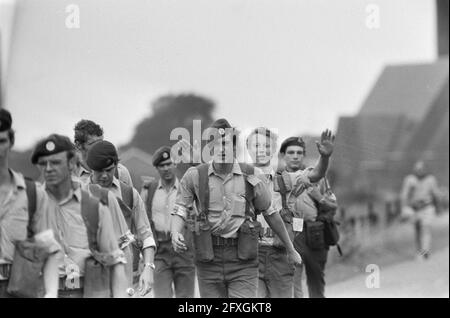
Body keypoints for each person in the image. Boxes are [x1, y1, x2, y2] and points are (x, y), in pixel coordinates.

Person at [171, 119, 302, 298]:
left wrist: (290, 248)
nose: (222, 149)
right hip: (209, 259)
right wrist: (175, 231)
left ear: (234, 148)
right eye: (216, 144)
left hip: (243, 259)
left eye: (226, 144)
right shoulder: (194, 175)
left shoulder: (251, 176)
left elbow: (271, 213)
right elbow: (180, 208)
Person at [31, 134, 129, 298]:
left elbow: (116, 261)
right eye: (43, 163)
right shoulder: (30, 205)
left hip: (89, 290)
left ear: (71, 163)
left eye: (55, 162)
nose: (48, 169)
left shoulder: (94, 206)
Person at [0, 109, 60, 298]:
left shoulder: (33, 194)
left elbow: (48, 249)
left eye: (1, 141)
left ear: (11, 143)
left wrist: (51, 293)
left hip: (18, 288)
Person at [85, 140, 156, 296]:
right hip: (91, 279)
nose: (104, 176)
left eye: (109, 170)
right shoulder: (80, 195)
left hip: (126, 277)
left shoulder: (129, 194)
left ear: (117, 166)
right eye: (99, 171)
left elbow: (146, 236)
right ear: (90, 169)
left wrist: (149, 267)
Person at [278, 132, 335, 298]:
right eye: (291, 152)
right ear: (283, 155)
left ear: (304, 156)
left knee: (316, 280)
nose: (295, 157)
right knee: (293, 280)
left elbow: (334, 204)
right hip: (290, 233)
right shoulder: (278, 179)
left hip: (314, 232)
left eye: (299, 153)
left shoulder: (317, 178)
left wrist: (321, 198)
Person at [246, 127, 295, 298]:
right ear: (248, 148)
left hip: (279, 255)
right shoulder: (240, 180)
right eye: (256, 145)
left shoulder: (285, 181)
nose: (261, 150)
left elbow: (314, 176)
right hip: (250, 255)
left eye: (267, 146)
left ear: (274, 149)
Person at [140, 146, 195, 298]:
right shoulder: (148, 189)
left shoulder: (187, 188)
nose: (166, 168)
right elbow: (142, 221)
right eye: (162, 165)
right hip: (160, 251)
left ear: (175, 164)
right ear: (156, 168)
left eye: (169, 164)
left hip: (183, 249)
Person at [73, 119, 133, 186]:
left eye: (101, 142)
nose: (99, 147)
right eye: (93, 144)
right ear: (78, 145)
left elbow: (130, 195)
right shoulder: (69, 175)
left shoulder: (120, 172)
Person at [400, 160, 441, 260]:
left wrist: (438, 206)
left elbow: (436, 194)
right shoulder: (410, 180)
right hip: (414, 209)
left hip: (427, 207)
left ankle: (425, 251)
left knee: (426, 228)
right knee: (418, 230)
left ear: (425, 169)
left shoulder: (431, 179)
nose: (419, 171)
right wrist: (403, 208)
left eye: (421, 169)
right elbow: (404, 195)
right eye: (417, 169)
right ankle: (420, 251)